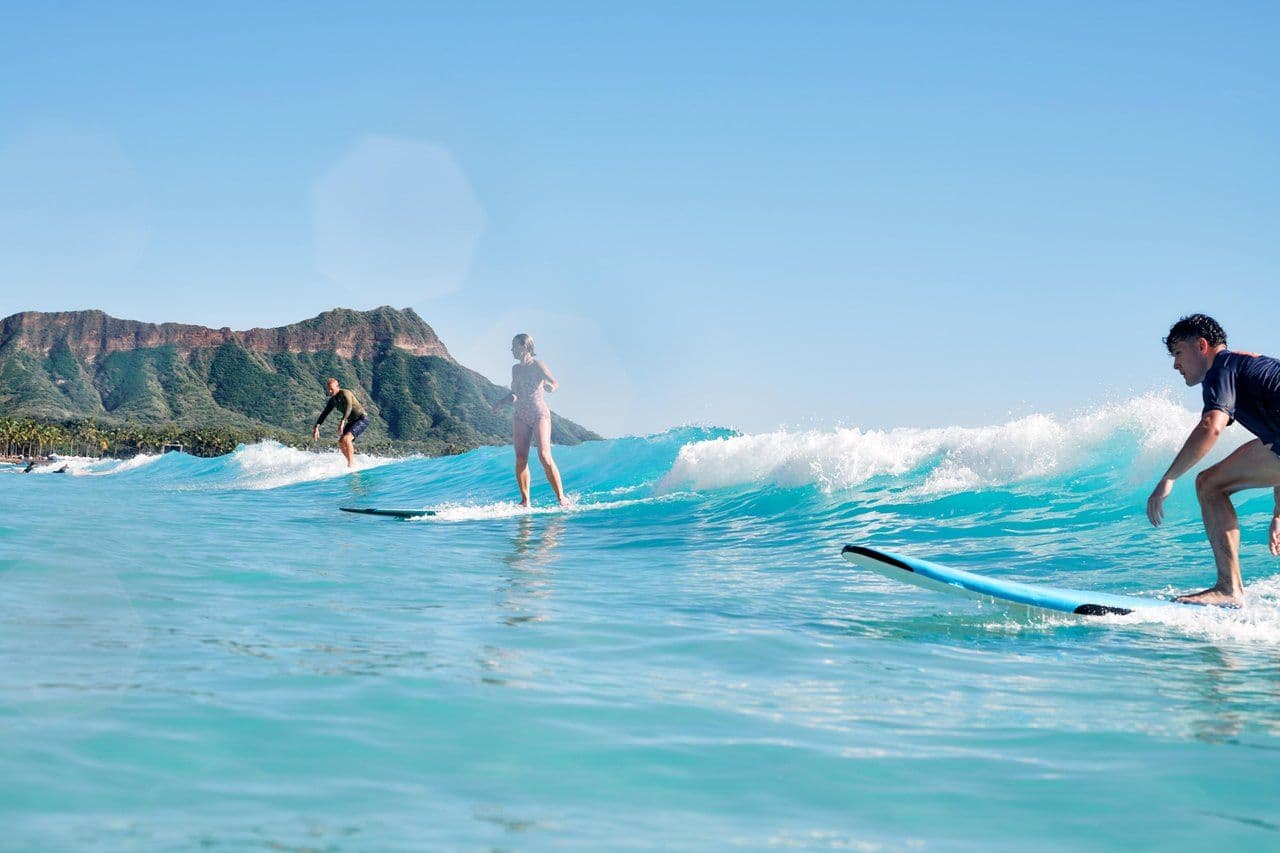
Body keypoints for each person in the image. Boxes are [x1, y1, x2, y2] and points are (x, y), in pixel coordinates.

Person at [1146, 314, 1280, 606]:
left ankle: (1229, 589)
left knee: (1209, 485)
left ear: (1202, 346)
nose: (1175, 364)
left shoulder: (1221, 368)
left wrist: (1169, 477)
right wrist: (1278, 514)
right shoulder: (1250, 367)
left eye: (1178, 353)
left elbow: (1211, 426)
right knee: (1212, 480)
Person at [491, 333, 568, 507]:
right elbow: (515, 394)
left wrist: (551, 387)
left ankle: (561, 498)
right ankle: (525, 501)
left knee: (544, 456)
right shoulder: (515, 369)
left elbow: (555, 383)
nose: (511, 349)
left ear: (524, 347)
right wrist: (500, 403)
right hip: (520, 415)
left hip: (539, 413)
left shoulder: (537, 365)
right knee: (520, 458)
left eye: (514, 346)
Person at [312, 378, 368, 469]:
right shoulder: (332, 400)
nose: (330, 391)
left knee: (346, 439)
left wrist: (342, 421)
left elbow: (349, 406)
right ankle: (351, 462)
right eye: (329, 389)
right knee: (341, 443)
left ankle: (351, 464)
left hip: (361, 419)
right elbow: (324, 413)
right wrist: (316, 427)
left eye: (332, 389)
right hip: (351, 421)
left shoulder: (345, 393)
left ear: (337, 387)